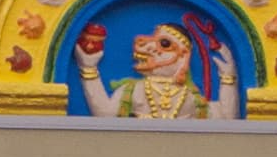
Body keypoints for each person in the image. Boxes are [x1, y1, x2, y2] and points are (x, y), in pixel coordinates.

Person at [74, 11, 242, 123]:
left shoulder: (192, 97)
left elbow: (226, 118)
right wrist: (89, 69)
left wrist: (228, 79)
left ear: (184, 56)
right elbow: (105, 115)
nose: (151, 48)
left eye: (164, 44)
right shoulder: (132, 90)